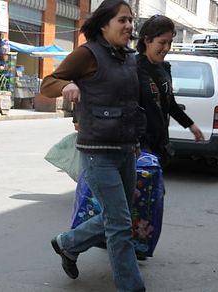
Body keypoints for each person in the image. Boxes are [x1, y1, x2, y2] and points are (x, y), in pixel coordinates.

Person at [40, 1, 146, 291]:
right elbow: (48, 82)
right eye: (122, 20)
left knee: (114, 217)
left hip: (126, 150)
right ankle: (131, 287)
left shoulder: (128, 57)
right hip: (98, 153)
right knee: (121, 224)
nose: (128, 26)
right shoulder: (88, 54)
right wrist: (65, 86)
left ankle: (67, 243)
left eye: (131, 21)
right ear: (104, 25)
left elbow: (131, 103)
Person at [136, 15, 204, 166]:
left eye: (169, 43)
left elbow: (170, 104)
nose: (166, 48)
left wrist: (191, 125)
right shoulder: (133, 68)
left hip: (160, 144)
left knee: (157, 189)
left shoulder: (165, 68)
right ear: (147, 40)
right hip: (140, 147)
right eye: (162, 42)